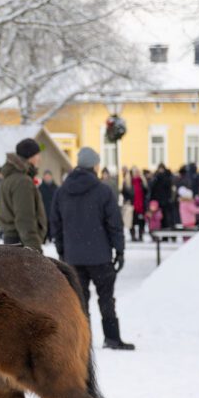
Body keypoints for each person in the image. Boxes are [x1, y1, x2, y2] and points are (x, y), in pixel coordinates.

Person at [51, 148, 134, 350]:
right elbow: (114, 223)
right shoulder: (103, 191)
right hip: (100, 256)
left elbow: (56, 224)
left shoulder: (62, 191)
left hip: (73, 256)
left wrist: (63, 250)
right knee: (106, 299)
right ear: (94, 166)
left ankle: (83, 342)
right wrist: (119, 251)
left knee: (80, 301)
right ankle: (112, 338)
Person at [0, 139, 47, 252]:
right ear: (31, 156)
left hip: (14, 242)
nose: (39, 158)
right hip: (22, 244)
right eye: (37, 155)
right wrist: (35, 249)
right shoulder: (22, 182)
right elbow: (25, 219)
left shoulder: (10, 178)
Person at [122, 167, 148, 242]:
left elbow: (146, 193)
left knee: (141, 222)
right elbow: (124, 193)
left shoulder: (142, 182)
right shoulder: (127, 182)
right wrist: (127, 201)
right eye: (135, 172)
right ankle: (133, 236)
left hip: (141, 206)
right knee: (131, 222)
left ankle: (140, 235)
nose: (136, 173)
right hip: (132, 205)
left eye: (137, 171)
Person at [149, 164, 174, 229]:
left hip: (165, 201)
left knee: (166, 218)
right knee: (158, 218)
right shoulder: (156, 177)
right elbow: (152, 188)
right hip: (158, 202)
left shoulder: (167, 177)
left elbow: (169, 189)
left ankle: (166, 231)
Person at [37, 170, 58, 242]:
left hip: (53, 213)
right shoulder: (40, 188)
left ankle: (52, 238)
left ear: (51, 177)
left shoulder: (56, 188)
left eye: (48, 176)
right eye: (46, 177)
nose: (47, 178)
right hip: (43, 212)